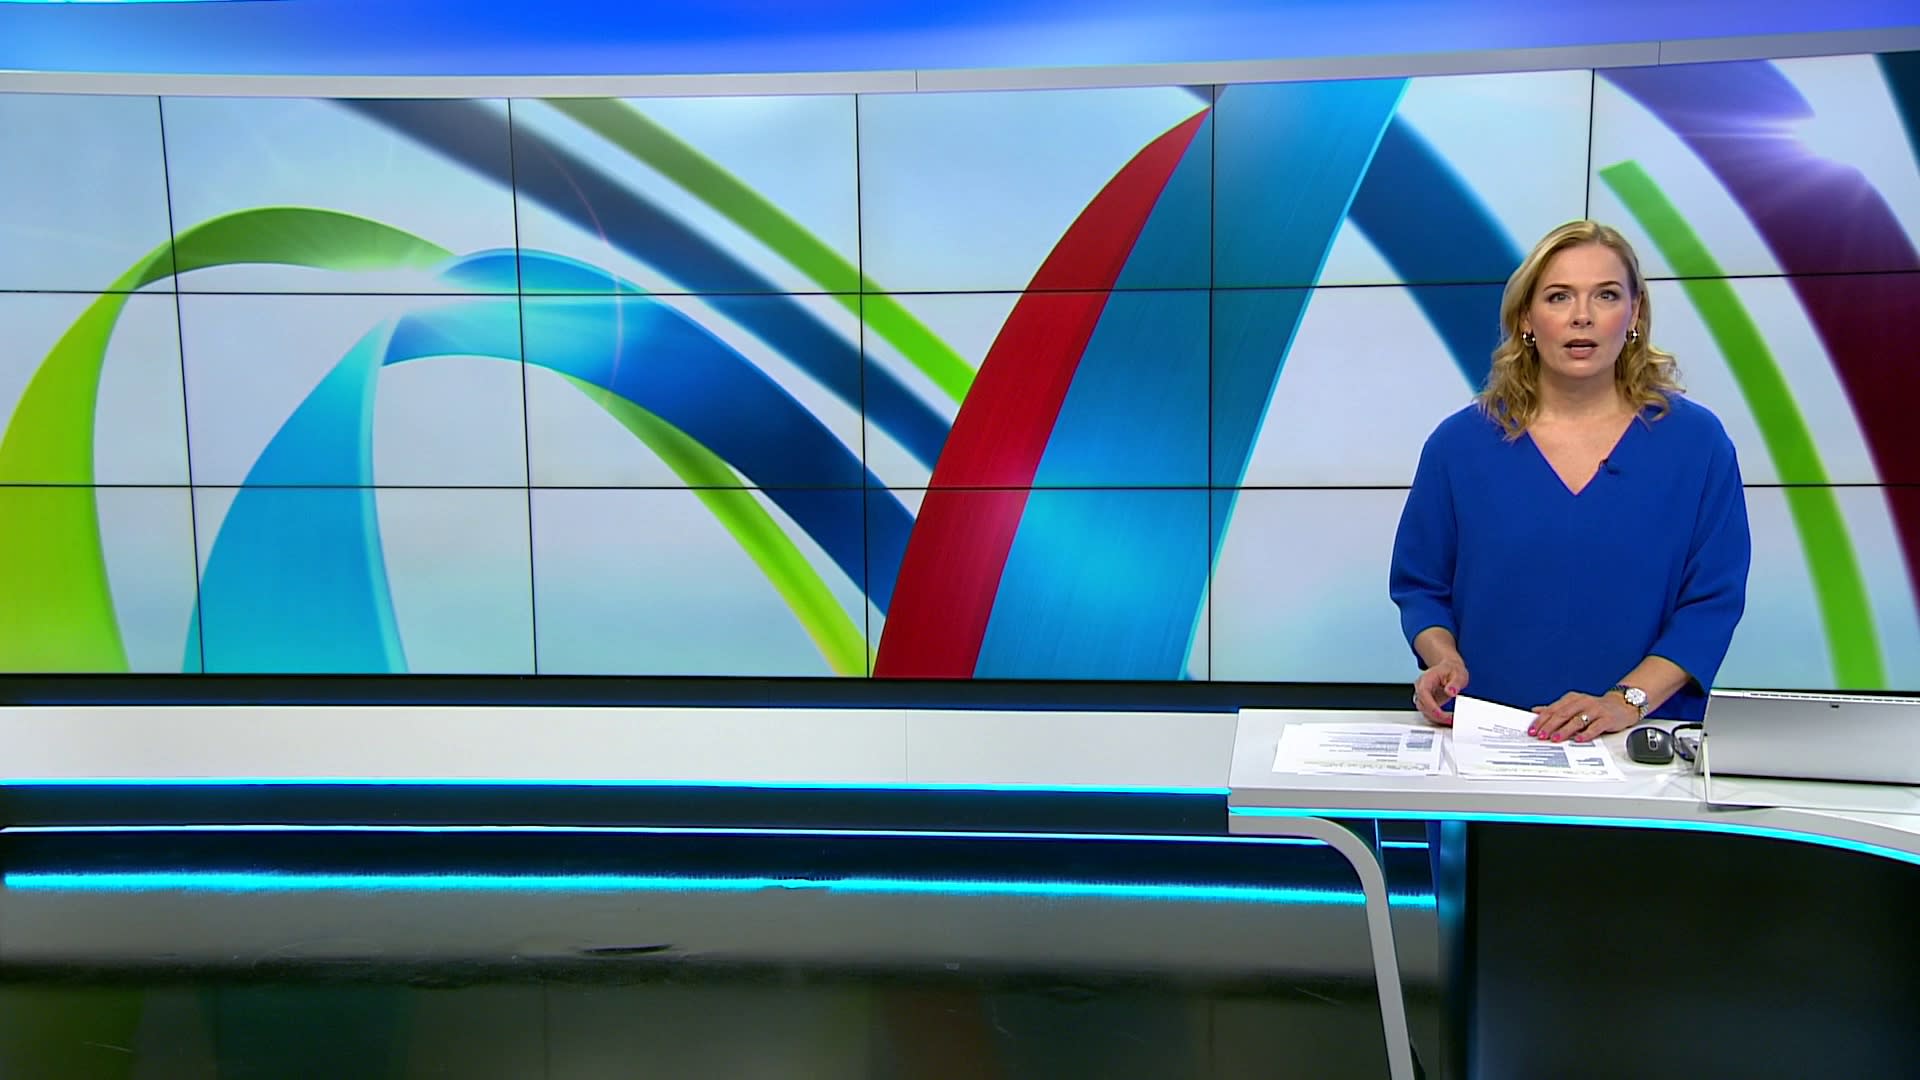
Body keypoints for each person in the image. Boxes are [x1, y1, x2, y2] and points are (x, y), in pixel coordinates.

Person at [1389, 220, 1751, 743]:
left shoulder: (1697, 443)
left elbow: (1711, 602)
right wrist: (1443, 659)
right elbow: (1422, 587)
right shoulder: (1459, 445)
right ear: (1526, 319)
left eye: (1606, 295)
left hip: (1639, 744)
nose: (1582, 316)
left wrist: (1623, 702)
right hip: (1492, 740)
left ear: (1634, 314)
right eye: (1559, 296)